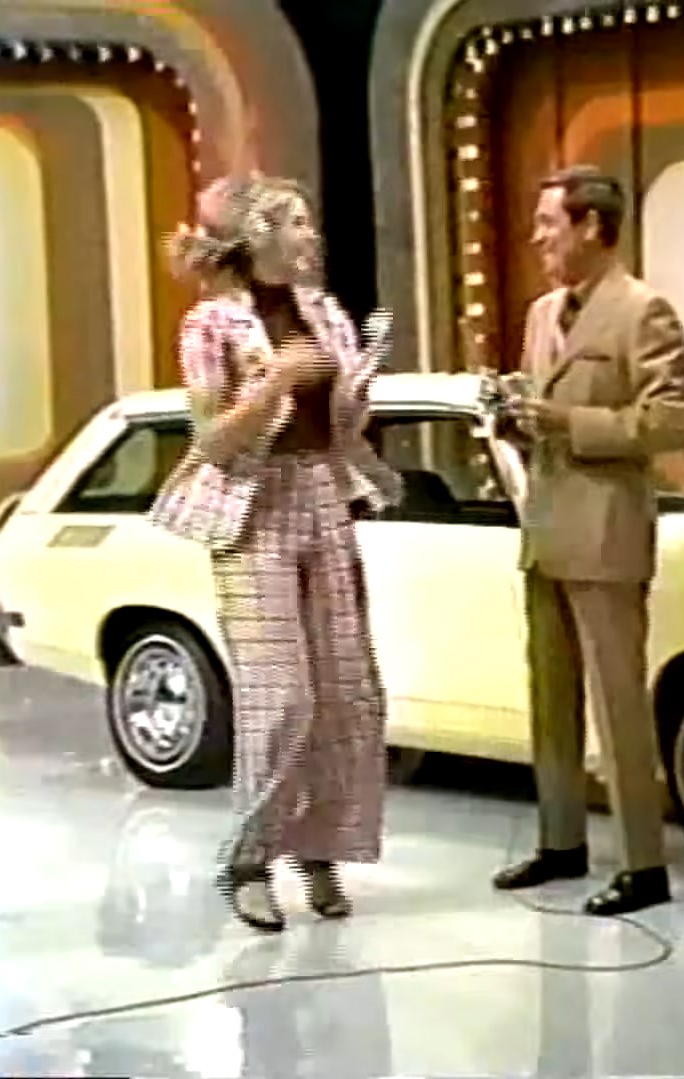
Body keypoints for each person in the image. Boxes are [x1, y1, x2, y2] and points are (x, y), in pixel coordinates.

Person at [150, 173, 400, 932]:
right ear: (257, 235)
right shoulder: (209, 327)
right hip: (252, 511)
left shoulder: (325, 312)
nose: (311, 235)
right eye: (296, 222)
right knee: (279, 695)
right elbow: (213, 441)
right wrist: (275, 384)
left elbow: (346, 428)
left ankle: (317, 848)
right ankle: (247, 858)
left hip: (324, 497)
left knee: (346, 688)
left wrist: (357, 382)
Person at [493, 165, 684, 916]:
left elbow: (670, 421)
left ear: (591, 227)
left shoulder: (644, 312)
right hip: (547, 526)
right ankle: (560, 840)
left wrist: (573, 425)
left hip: (608, 531)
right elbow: (538, 407)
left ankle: (643, 864)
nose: (538, 237)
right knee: (550, 698)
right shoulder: (543, 312)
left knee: (617, 703)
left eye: (549, 223)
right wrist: (517, 418)